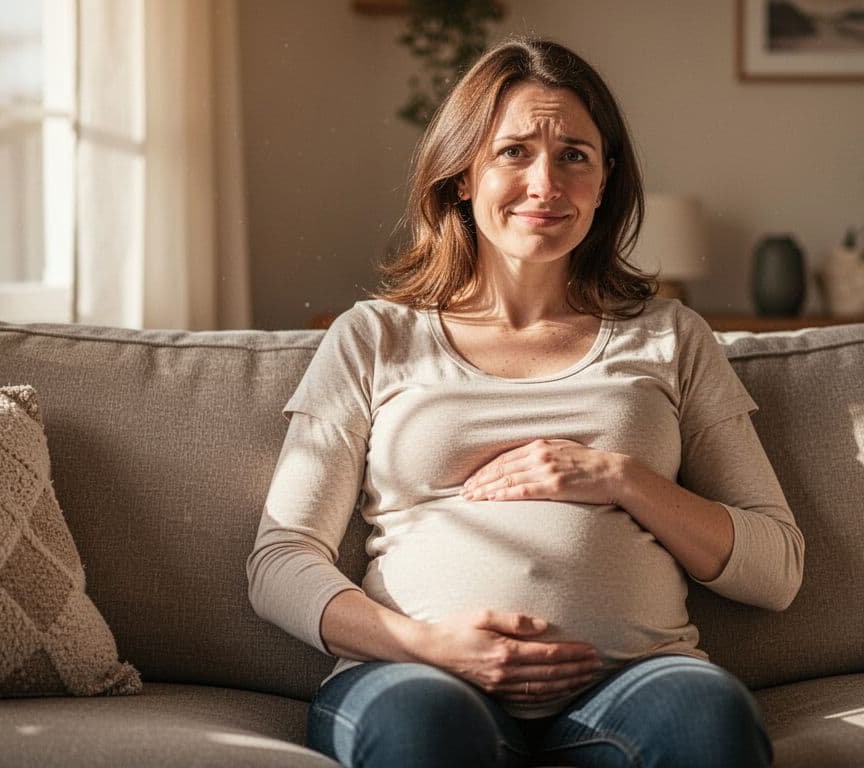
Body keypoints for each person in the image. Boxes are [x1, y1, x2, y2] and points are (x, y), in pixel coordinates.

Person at [247, 37, 804, 768]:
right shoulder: (375, 337)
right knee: (425, 732)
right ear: (461, 177)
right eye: (514, 152)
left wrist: (620, 478)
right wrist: (431, 645)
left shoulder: (670, 335)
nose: (546, 182)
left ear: (605, 182)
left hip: (634, 681)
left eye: (575, 154)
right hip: (416, 675)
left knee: (710, 720)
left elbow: (776, 569)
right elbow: (281, 560)